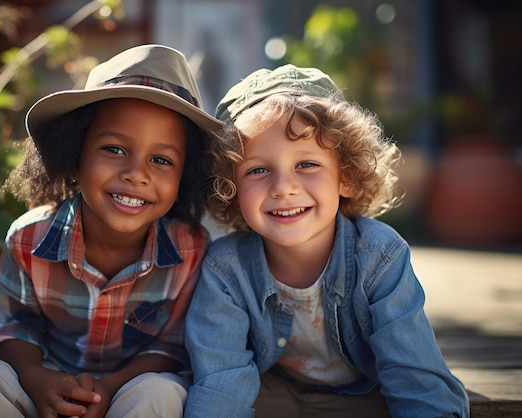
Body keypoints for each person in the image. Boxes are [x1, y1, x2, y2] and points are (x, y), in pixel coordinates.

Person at [0, 44, 222, 418]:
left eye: (161, 160)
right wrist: (35, 378)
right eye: (113, 149)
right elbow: (15, 327)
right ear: (74, 157)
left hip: (125, 396)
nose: (136, 173)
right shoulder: (29, 238)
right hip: (41, 390)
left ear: (183, 180)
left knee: (163, 393)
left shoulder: (190, 250)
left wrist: (109, 388)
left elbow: (171, 347)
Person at [184, 65, 469, 418]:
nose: (283, 187)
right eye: (257, 170)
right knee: (186, 393)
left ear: (345, 177)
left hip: (368, 390)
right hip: (274, 390)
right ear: (231, 189)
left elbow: (413, 376)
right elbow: (222, 380)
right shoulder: (225, 269)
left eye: (306, 164)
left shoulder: (379, 257)